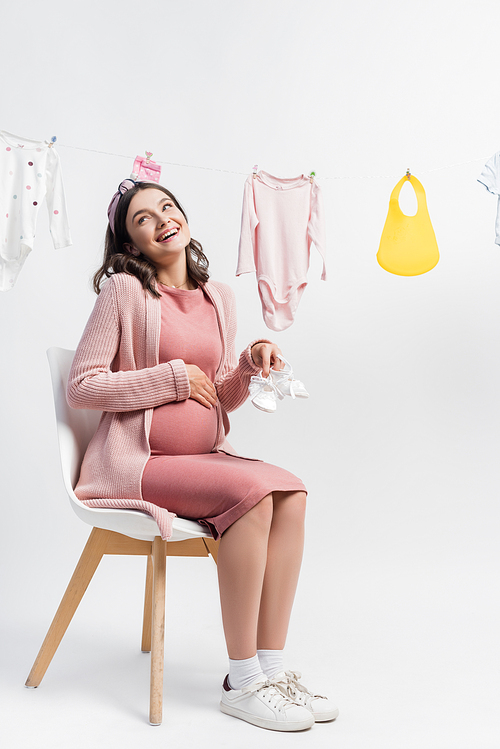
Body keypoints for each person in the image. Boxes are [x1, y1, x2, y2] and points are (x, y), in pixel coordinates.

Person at [67, 179, 338, 732]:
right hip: (139, 461)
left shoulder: (219, 297)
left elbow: (218, 396)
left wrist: (246, 367)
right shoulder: (123, 291)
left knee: (289, 491)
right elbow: (84, 386)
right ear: (130, 243)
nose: (161, 219)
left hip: (204, 457)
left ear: (183, 217)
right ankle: (241, 681)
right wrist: (170, 379)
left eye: (167, 207)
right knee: (253, 493)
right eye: (143, 218)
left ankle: (272, 669)